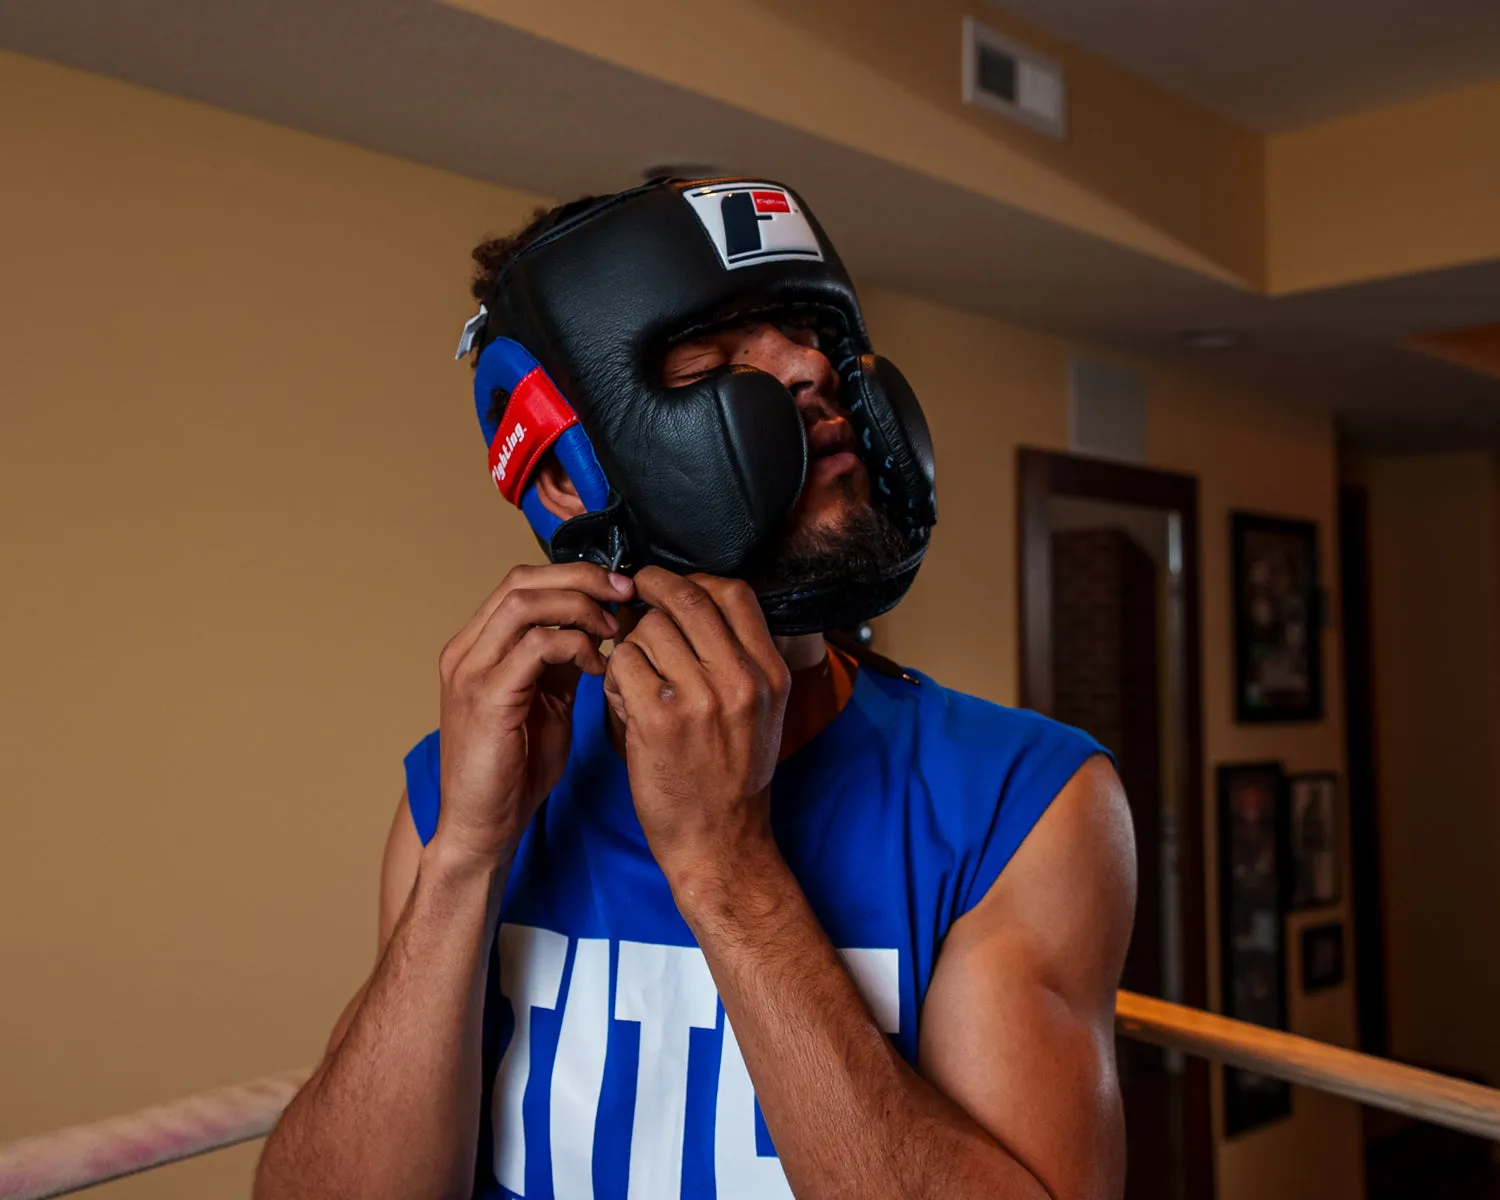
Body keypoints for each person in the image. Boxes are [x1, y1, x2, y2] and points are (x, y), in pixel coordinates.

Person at [254, 179, 1137, 1200]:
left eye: (810, 333)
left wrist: (729, 872)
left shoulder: (1019, 804)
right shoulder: (465, 790)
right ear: (564, 480)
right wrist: (462, 858)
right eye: (719, 359)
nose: (812, 367)